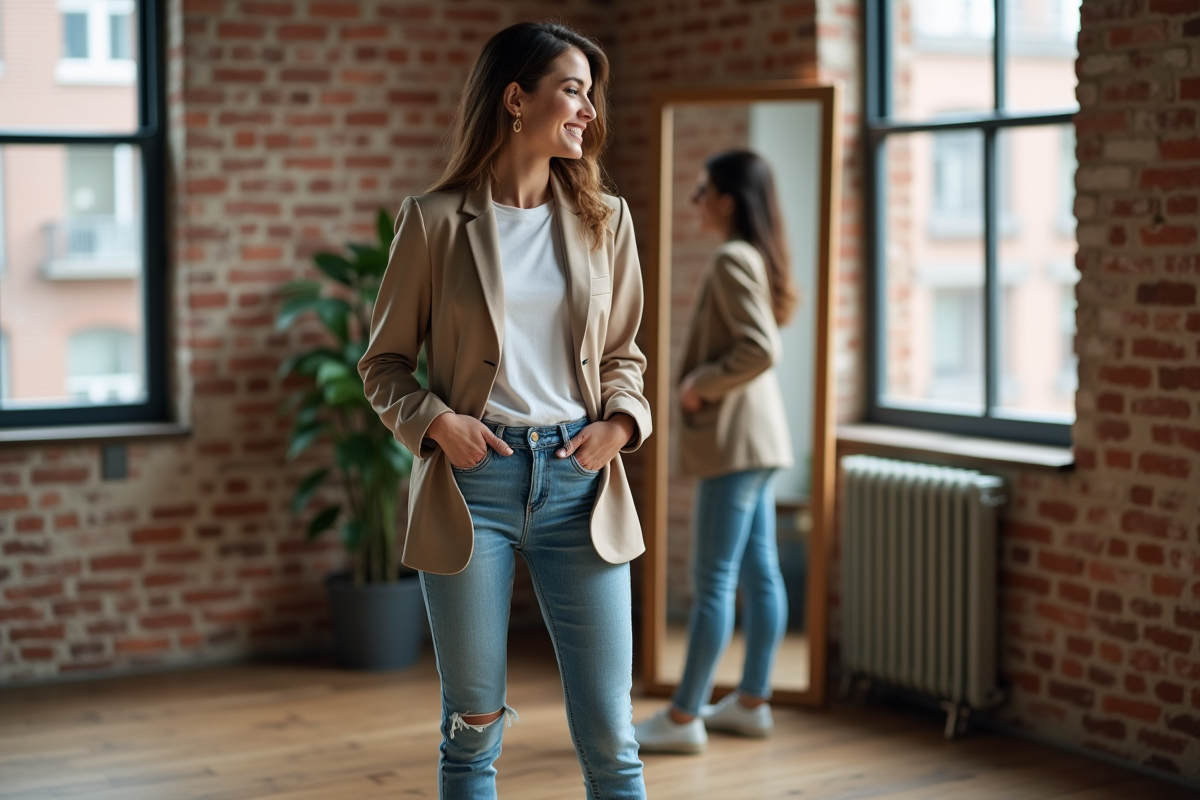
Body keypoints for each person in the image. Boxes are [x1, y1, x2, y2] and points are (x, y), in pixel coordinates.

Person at [357, 21, 651, 800]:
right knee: (472, 731)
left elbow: (624, 354)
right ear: (516, 99)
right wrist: (435, 423)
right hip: (472, 488)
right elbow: (382, 365)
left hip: (580, 484)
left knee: (612, 733)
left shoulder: (606, 221)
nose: (588, 109)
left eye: (593, 93)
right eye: (572, 89)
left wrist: (619, 425)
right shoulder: (432, 221)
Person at [634, 150, 797, 754]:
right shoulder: (752, 255)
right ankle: (751, 702)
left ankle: (681, 719)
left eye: (701, 190)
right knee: (759, 571)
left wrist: (698, 384)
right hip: (760, 442)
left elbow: (760, 349)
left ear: (727, 199)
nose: (694, 201)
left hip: (736, 445)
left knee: (712, 582)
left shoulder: (731, 257)